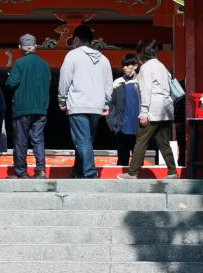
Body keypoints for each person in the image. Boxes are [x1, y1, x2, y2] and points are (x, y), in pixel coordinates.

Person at [57, 24, 112, 179]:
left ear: (76, 39)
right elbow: (109, 84)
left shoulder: (72, 56)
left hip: (78, 104)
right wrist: (106, 104)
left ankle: (90, 173)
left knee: (82, 141)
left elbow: (64, 80)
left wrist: (62, 100)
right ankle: (77, 172)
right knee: (86, 141)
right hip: (96, 106)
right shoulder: (104, 59)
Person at [121, 41, 179, 179]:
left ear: (142, 54)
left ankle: (132, 172)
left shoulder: (146, 68)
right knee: (163, 142)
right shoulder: (162, 66)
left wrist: (144, 112)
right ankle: (172, 171)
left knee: (141, 140)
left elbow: (146, 90)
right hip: (166, 109)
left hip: (152, 108)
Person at [5, 33, 51, 178]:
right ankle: (41, 169)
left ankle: (21, 172)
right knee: (38, 139)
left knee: (21, 140)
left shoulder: (19, 63)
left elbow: (11, 83)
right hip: (41, 109)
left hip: (22, 108)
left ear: (20, 47)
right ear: (35, 46)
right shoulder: (44, 64)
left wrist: (8, 76)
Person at [106, 54, 142, 167]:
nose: (125, 68)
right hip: (122, 127)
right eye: (123, 66)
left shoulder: (143, 81)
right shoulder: (118, 82)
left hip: (140, 127)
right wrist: (113, 123)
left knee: (138, 162)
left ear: (135, 66)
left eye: (128, 65)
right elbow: (110, 104)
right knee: (122, 161)